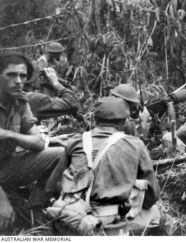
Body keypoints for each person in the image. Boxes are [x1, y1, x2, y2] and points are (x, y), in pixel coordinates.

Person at [52, 96, 159, 234]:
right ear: (123, 122)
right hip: (106, 222)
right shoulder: (135, 144)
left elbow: (52, 184)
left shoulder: (75, 141)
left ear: (95, 119)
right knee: (155, 213)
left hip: (72, 217)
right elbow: (152, 197)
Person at [0, 52, 68, 230]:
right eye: (11, 75)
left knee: (61, 154)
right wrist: (2, 201)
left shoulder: (20, 102)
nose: (18, 80)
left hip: (5, 168)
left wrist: (10, 135)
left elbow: (38, 142)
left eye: (22, 76)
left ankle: (34, 206)